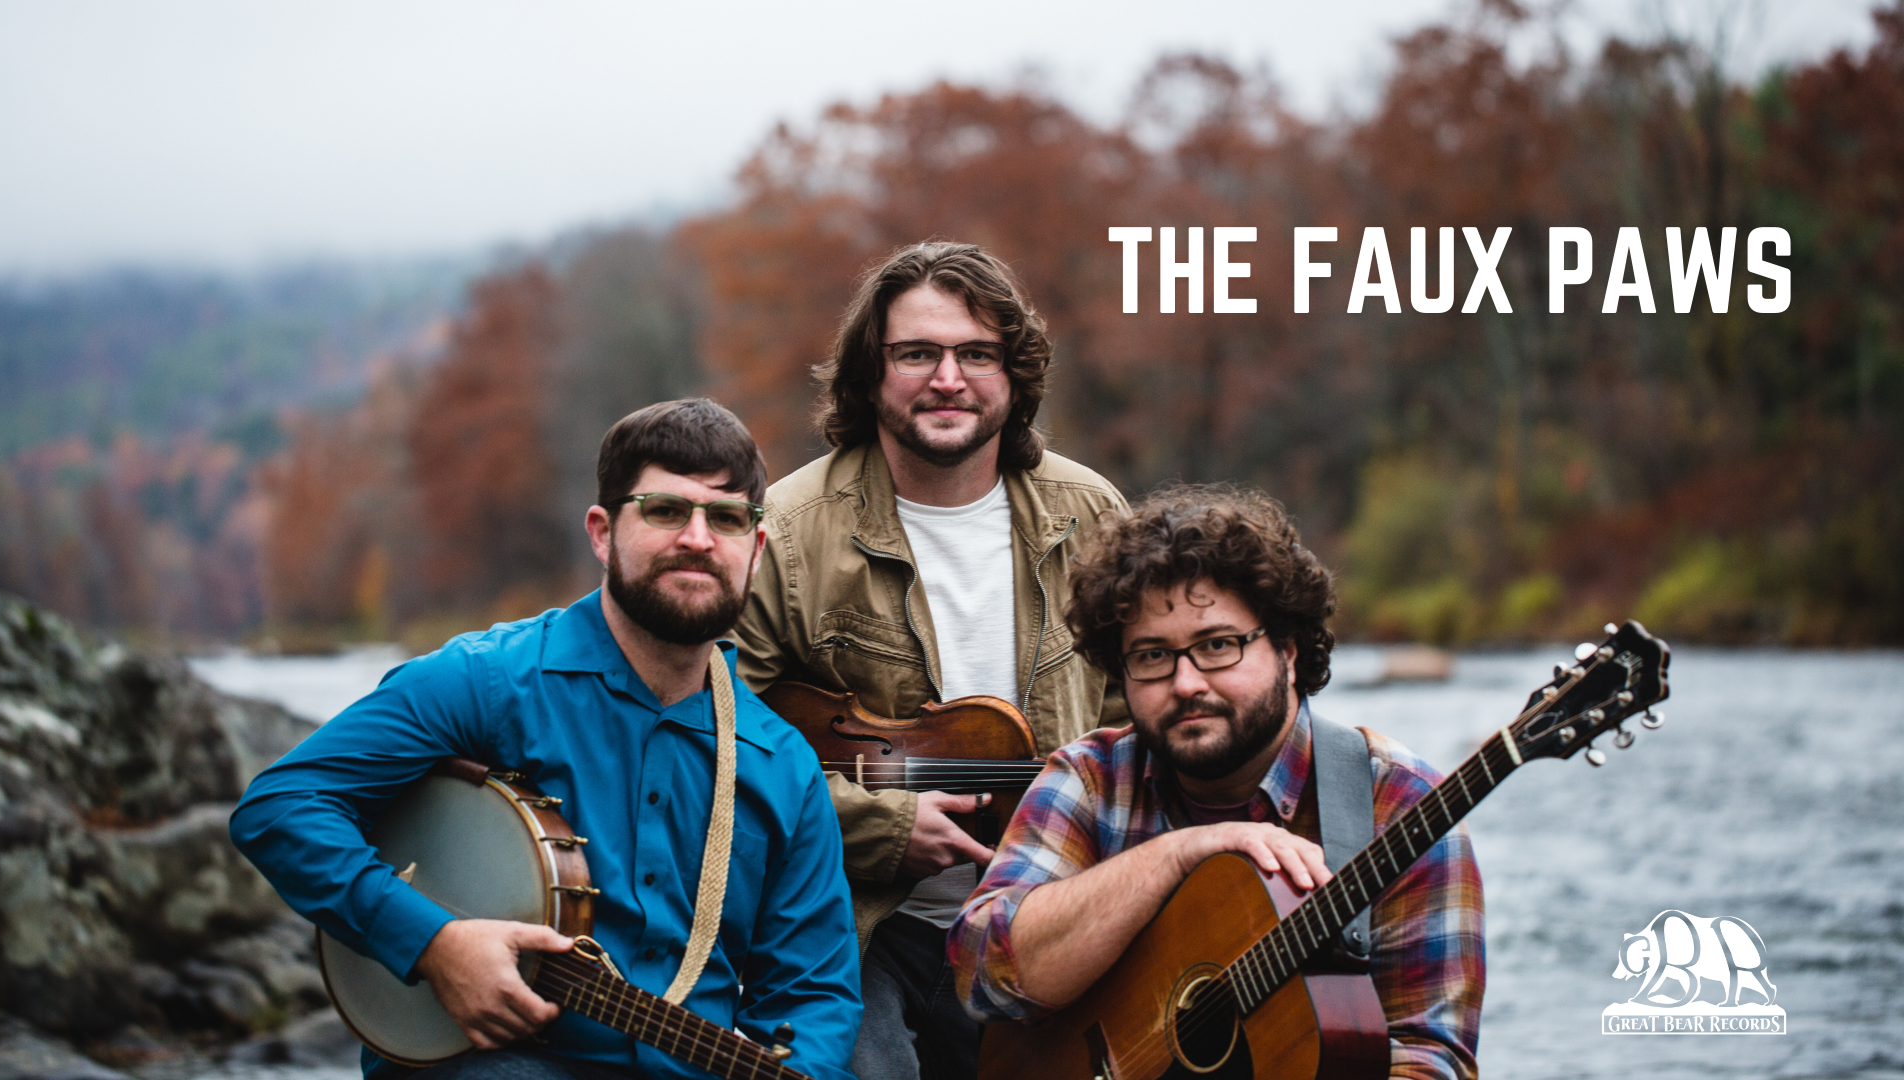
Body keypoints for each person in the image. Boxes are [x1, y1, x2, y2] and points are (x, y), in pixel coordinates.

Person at [231, 399, 861, 1080]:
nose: (699, 540)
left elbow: (812, 997)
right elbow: (283, 807)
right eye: (666, 510)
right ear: (601, 532)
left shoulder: (783, 767)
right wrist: (433, 943)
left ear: (757, 548)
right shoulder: (488, 681)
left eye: (727, 518)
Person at [731, 242, 1126, 1080]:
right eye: (917, 353)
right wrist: (882, 827)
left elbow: (1142, 717)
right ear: (871, 375)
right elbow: (717, 736)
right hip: (860, 925)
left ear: (1013, 374)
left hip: (1056, 918)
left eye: (976, 354)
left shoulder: (1091, 513)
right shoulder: (790, 529)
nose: (948, 378)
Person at [948, 486, 1485, 1080]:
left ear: (1286, 650)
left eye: (1217, 646)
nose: (1184, 683)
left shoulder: (1403, 807)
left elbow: (1430, 1058)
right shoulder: (1091, 780)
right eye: (1152, 656)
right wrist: (1179, 853)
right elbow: (983, 973)